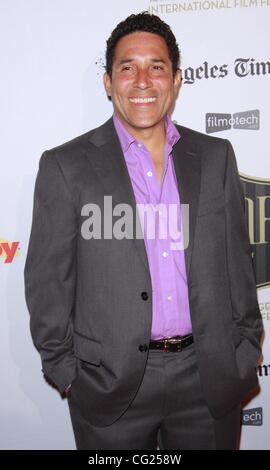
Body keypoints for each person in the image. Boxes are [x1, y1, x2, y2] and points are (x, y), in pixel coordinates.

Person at [24, 12, 263, 450]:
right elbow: (47, 283)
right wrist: (67, 373)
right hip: (109, 388)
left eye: (156, 66)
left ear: (175, 79)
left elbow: (238, 263)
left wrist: (245, 351)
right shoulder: (65, 166)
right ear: (108, 82)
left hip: (207, 379)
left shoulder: (215, 157)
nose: (141, 80)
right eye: (127, 67)